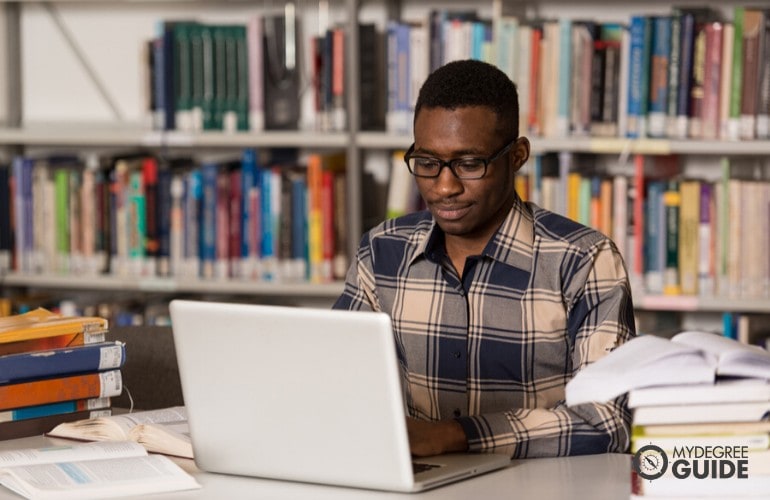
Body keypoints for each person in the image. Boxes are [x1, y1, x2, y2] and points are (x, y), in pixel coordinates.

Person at [333, 59, 636, 459]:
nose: (444, 187)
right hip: (419, 483)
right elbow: (335, 381)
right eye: (426, 163)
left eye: (469, 164)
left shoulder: (584, 260)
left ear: (517, 156)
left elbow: (607, 421)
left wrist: (455, 434)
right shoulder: (381, 251)